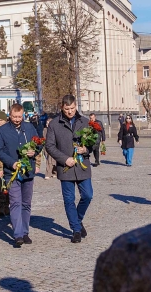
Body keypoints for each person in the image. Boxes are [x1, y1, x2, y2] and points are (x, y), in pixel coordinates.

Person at [45, 95, 93, 244]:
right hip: (65, 168)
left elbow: (94, 142)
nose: (70, 112)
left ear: (76, 106)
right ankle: (76, 230)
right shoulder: (54, 124)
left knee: (88, 195)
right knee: (69, 200)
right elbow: (50, 146)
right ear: (62, 107)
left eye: (72, 108)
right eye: (67, 109)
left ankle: (77, 220)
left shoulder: (85, 122)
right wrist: (64, 159)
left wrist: (86, 149)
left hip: (82, 166)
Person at [0, 104, 41, 247]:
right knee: (15, 202)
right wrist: (11, 163)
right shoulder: (2, 131)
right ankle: (18, 234)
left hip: (28, 171)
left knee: (26, 203)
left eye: (19, 117)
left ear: (23, 115)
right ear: (10, 115)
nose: (16, 119)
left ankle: (25, 232)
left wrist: (35, 151)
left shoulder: (30, 128)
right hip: (12, 172)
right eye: (14, 117)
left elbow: (39, 144)